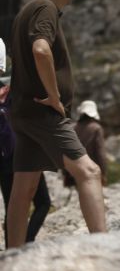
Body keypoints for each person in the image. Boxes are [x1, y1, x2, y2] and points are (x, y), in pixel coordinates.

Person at [5, 0, 106, 248]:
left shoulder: (26, 10)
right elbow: (41, 49)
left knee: (23, 189)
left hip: (21, 111)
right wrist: (54, 96)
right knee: (89, 172)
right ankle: (105, 249)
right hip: (43, 111)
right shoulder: (46, 8)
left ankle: (12, 256)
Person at [1, 74, 53, 248]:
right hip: (24, 156)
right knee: (43, 202)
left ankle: (11, 249)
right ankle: (26, 242)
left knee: (11, 207)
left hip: (4, 161)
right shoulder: (14, 95)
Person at [62, 100, 107, 187]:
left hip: (72, 170)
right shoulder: (96, 128)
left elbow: (65, 150)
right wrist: (103, 173)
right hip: (90, 170)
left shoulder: (71, 127)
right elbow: (100, 153)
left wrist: (65, 172)